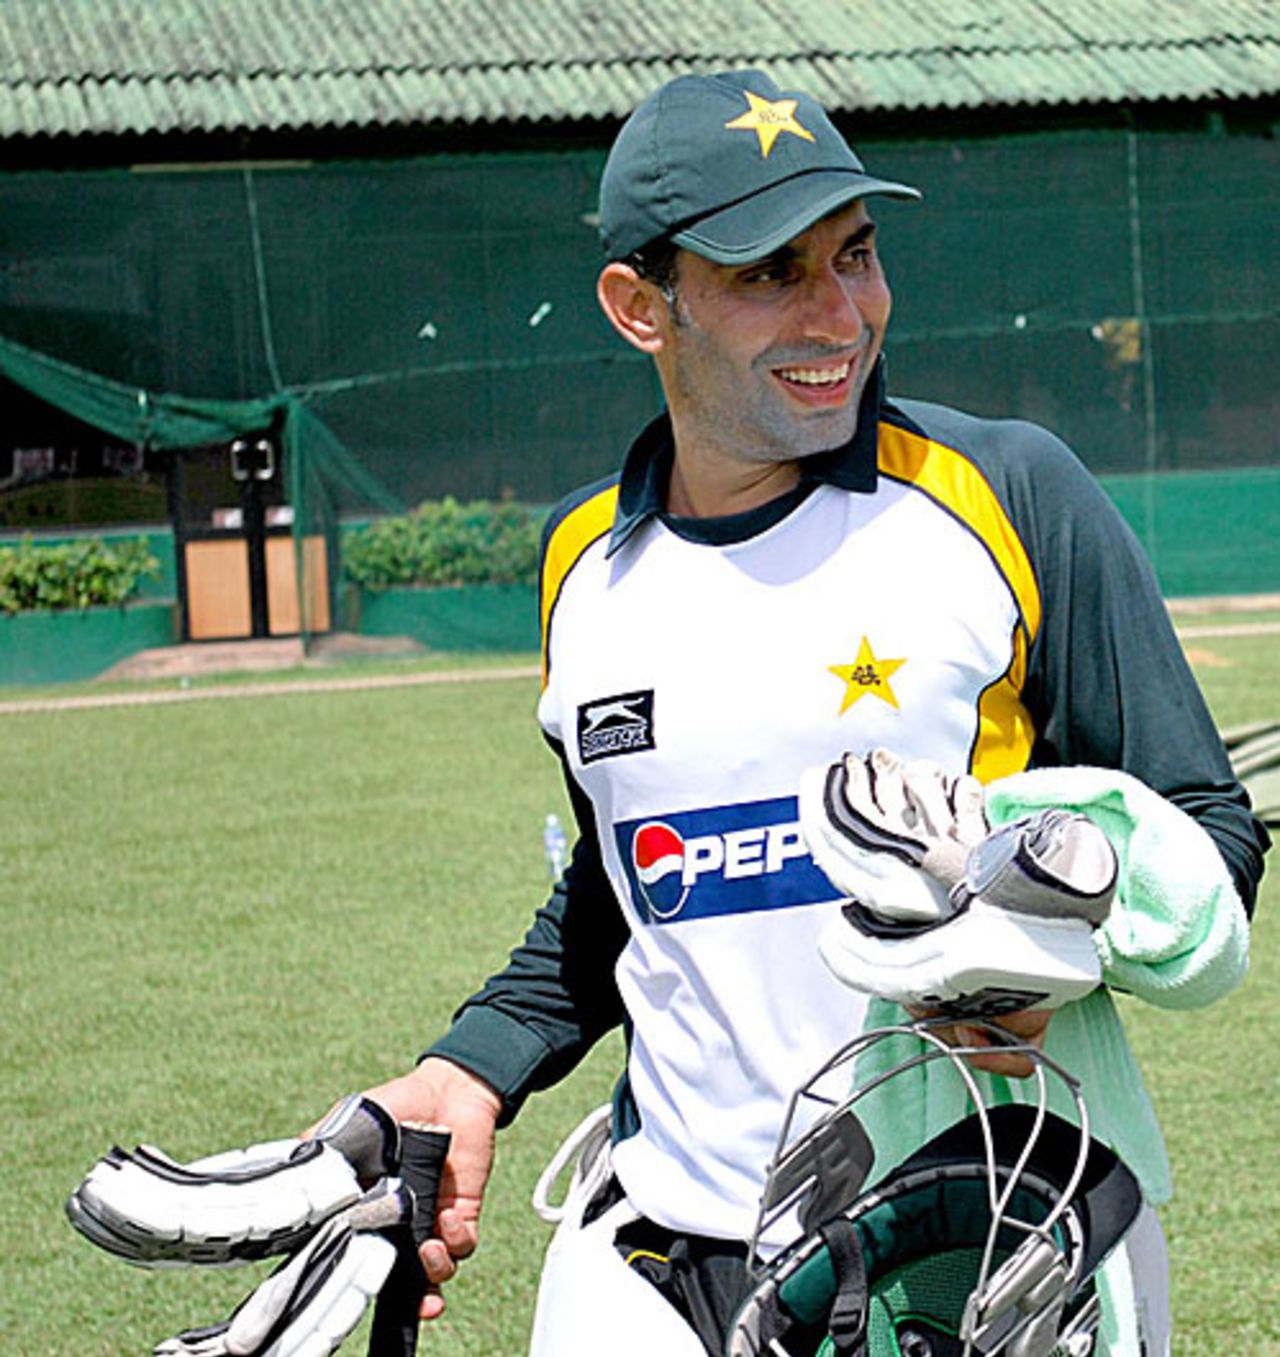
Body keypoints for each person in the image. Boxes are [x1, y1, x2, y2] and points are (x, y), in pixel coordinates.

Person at [363, 69, 1269, 1356]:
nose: (838, 313)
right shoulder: (584, 568)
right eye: (768, 274)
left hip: (977, 1241)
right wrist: (467, 1068)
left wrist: (1030, 950)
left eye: (854, 255)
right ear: (640, 306)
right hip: (659, 1241)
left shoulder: (1006, 494)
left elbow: (1204, 827)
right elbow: (633, 890)